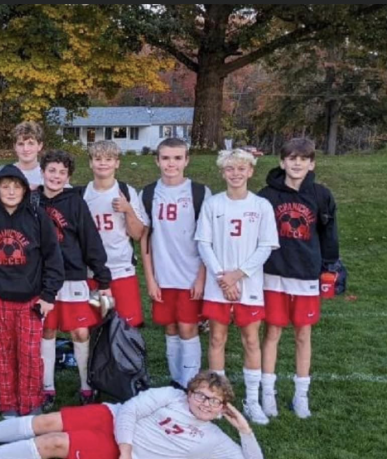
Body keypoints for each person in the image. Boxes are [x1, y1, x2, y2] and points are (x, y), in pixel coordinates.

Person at [0, 371, 265, 459]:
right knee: (48, 421)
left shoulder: (216, 441)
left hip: (120, 448)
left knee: (54, 442)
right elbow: (131, 410)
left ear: (224, 407)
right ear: (190, 392)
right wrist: (127, 450)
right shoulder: (171, 395)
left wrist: (245, 431)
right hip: (114, 418)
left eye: (213, 401)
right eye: (200, 395)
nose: (204, 403)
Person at [0, 164, 64, 418]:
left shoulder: (37, 217)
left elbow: (53, 258)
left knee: (30, 355)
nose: (11, 192)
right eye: (5, 186)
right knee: (4, 354)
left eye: (16, 186)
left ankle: (32, 404)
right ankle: (8, 405)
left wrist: (48, 295)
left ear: (24, 189)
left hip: (31, 299)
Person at [196, 149, 279, 425]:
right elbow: (204, 244)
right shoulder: (213, 204)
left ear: (250, 171)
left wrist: (237, 275)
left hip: (248, 285)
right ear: (222, 172)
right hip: (217, 284)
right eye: (230, 169)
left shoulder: (261, 206)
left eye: (241, 169)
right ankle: (217, 400)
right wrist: (223, 277)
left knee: (251, 340)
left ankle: (252, 401)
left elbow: (266, 246)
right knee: (217, 339)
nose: (235, 173)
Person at [258, 138, 339, 419]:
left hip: (306, 275)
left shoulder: (320, 195)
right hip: (273, 274)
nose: (296, 163)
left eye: (302, 159)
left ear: (311, 163)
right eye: (291, 158)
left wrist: (330, 265)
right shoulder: (267, 196)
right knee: (273, 333)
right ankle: (268, 393)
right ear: (282, 162)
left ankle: (300, 395)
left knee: (303, 334)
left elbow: (329, 234)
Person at [36, 150, 112, 410]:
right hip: (41, 279)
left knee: (79, 331)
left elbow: (91, 240)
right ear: (43, 171)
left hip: (73, 277)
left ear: (68, 176)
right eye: (51, 170)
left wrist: (103, 279)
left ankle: (86, 385)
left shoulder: (75, 202)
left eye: (62, 172)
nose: (56, 176)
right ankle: (47, 387)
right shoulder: (32, 201)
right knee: (47, 330)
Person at [139, 138, 211, 389]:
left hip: (191, 275)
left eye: (177, 158)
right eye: (166, 158)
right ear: (157, 160)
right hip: (163, 275)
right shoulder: (148, 193)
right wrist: (150, 279)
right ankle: (175, 381)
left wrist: (201, 277)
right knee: (170, 328)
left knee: (188, 327)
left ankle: (189, 382)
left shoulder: (200, 193)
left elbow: (206, 240)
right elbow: (145, 239)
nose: (172, 163)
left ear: (186, 160)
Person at [81, 140, 145, 328]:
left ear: (117, 163)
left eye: (109, 159)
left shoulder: (126, 191)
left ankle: (125, 358)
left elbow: (137, 234)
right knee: (95, 325)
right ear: (91, 163)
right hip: (92, 272)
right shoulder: (83, 194)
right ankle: (96, 358)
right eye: (98, 158)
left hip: (121, 269)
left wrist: (128, 210)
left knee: (126, 326)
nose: (103, 163)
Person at [0, 122, 45, 205]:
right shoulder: (1, 171)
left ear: (40, 146)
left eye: (31, 143)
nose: (26, 149)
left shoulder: (49, 175)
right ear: (15, 146)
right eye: (21, 144)